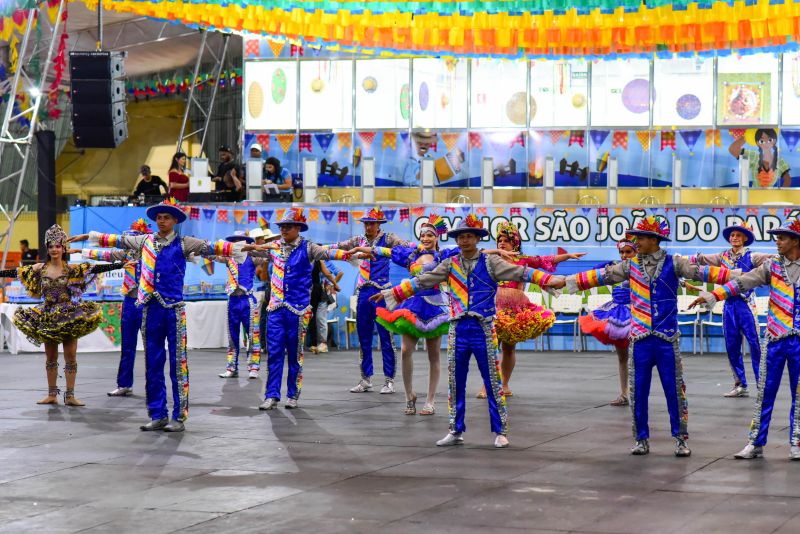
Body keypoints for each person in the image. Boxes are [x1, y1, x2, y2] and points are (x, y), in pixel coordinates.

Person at [373, 214, 564, 448]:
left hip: (483, 328)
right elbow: (423, 280)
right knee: (455, 382)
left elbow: (521, 273)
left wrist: (551, 280)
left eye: (468, 236)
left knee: (492, 381)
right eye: (460, 237)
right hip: (458, 329)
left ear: (476, 239)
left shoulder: (491, 263)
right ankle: (455, 429)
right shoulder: (450, 264)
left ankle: (500, 430)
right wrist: (391, 293)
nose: (464, 241)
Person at [556, 216, 738, 457]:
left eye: (640, 237)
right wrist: (561, 282)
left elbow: (704, 272)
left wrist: (738, 275)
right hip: (640, 338)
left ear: (654, 240)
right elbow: (600, 276)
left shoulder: (675, 263)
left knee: (674, 390)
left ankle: (680, 438)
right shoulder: (630, 266)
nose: (635, 241)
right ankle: (641, 438)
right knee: (638, 391)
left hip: (666, 339)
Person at [70, 198, 250, 432]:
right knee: (152, 363)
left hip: (174, 311)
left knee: (178, 365)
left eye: (167, 217)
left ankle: (179, 416)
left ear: (175, 220)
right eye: (159, 217)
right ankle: (157, 414)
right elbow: (116, 241)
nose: (162, 221)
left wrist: (245, 247)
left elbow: (213, 247)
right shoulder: (144, 241)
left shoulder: (185, 242)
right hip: (150, 309)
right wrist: (87, 238)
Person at [688, 217, 800, 461]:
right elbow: (742, 282)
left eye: (781, 238)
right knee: (765, 394)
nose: (777, 241)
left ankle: (797, 441)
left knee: (799, 395)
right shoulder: (772, 266)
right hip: (776, 339)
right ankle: (755, 442)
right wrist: (713, 295)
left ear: (795, 241)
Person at [2, 225, 124, 406]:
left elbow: (95, 269)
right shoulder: (39, 268)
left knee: (71, 357)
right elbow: (15, 272)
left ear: (63, 248)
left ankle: (70, 395)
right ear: (47, 248)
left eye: (58, 246)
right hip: (47, 316)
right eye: (51, 246)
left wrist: (121, 265)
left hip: (69, 316)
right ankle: (52, 395)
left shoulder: (71, 269)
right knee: (50, 358)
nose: (54, 249)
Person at [249, 209, 351, 410]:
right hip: (276, 308)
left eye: (288, 226)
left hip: (297, 309)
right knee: (275, 352)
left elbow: (330, 251)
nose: (284, 229)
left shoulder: (309, 248)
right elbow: (253, 250)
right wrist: (234, 247)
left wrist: (351, 249)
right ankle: (272, 395)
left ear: (298, 228)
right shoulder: (275, 246)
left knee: (295, 353)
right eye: (281, 226)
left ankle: (293, 394)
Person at [479, 222, 583, 398]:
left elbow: (544, 261)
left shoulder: (523, 260)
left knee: (509, 349)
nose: (502, 244)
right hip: (494, 308)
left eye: (506, 241)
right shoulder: (492, 260)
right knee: (490, 348)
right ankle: (487, 386)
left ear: (515, 243)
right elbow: (477, 253)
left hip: (515, 308)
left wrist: (567, 256)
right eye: (499, 241)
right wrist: (497, 252)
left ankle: (504, 384)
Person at [329, 208, 413, 395]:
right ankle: (365, 378)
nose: (368, 226)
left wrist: (419, 247)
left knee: (386, 337)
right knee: (364, 336)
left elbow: (405, 246)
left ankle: (389, 380)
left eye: (372, 223)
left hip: (382, 292)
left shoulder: (388, 238)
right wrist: (320, 248)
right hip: (363, 293)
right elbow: (339, 246)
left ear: (378, 224)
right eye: (366, 223)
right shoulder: (358, 241)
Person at [688, 223, 771, 398]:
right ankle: (740, 384)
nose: (734, 238)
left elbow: (772, 259)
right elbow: (701, 259)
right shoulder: (722, 256)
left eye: (738, 235)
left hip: (746, 305)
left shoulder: (752, 256)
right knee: (731, 346)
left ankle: (762, 385)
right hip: (728, 305)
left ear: (745, 238)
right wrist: (681, 261)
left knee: (755, 345)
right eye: (732, 235)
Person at [77, 219, 153, 397]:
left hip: (148, 303)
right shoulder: (125, 255)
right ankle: (124, 384)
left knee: (151, 347)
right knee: (127, 345)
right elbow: (104, 256)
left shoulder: (152, 256)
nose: (130, 244)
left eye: (134, 240)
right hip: (129, 303)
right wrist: (80, 251)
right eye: (129, 240)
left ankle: (153, 385)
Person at [578, 237, 638, 406]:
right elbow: (592, 273)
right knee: (622, 357)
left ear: (636, 252)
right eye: (622, 252)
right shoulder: (613, 267)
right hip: (616, 314)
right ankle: (624, 393)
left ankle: (637, 392)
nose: (624, 255)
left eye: (628, 252)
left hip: (636, 313)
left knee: (640, 357)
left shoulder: (640, 269)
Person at [214, 231, 270, 380]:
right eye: (235, 241)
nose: (238, 244)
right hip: (232, 301)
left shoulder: (252, 258)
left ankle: (254, 367)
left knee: (253, 335)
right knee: (232, 337)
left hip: (247, 300)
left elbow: (268, 256)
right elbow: (212, 254)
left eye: (241, 241)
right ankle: (231, 368)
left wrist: (257, 247)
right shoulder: (229, 258)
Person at [309, 259, 342, 354]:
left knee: (321, 319)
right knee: (311, 318)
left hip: (322, 293)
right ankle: (313, 344)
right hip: (311, 292)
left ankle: (323, 344)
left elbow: (339, 273)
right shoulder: (309, 261)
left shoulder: (325, 262)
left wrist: (332, 285)